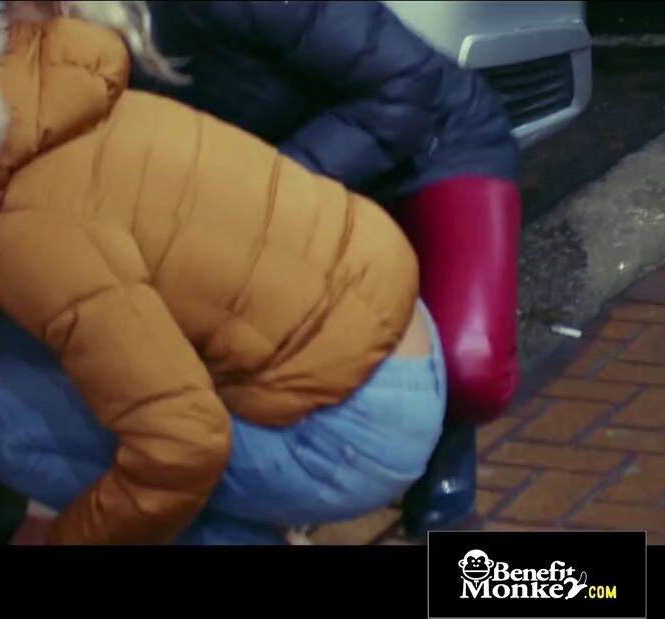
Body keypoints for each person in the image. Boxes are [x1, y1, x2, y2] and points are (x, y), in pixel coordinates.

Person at [0, 0, 447, 544]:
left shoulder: (24, 235)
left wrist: (66, 537)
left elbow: (184, 447)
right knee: (15, 371)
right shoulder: (41, 102)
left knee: (2, 419)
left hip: (355, 425)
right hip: (393, 335)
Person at [126, 1, 523, 537]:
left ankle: (448, 450)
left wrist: (275, 188)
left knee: (470, 370)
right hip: (295, 170)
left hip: (434, 144)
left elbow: (407, 84)